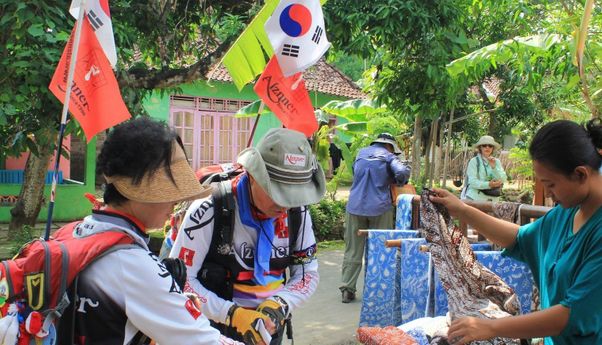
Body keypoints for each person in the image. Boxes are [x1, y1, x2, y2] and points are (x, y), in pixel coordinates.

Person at [57, 117, 238, 344]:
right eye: (167, 192)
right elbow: (204, 340)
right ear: (139, 192)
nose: (175, 203)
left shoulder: (74, 232)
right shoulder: (132, 263)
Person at [429, 119, 602, 345]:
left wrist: (490, 326)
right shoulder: (566, 213)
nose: (549, 194)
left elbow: (569, 315)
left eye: (551, 184)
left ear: (580, 174)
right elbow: (520, 239)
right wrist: (462, 210)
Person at [170, 128, 325, 345]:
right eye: (277, 192)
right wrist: (232, 314)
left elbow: (307, 273)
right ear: (252, 175)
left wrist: (280, 304)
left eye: (294, 195)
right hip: (211, 330)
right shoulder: (208, 209)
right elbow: (181, 282)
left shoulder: (298, 212)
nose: (285, 204)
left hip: (269, 328)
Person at [339, 133, 411, 303]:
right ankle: (378, 289)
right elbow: (401, 172)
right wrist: (399, 179)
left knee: (353, 250)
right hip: (380, 208)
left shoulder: (361, 153)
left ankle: (347, 289)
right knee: (380, 249)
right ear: (390, 146)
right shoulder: (388, 156)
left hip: (355, 206)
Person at [461, 135, 507, 201]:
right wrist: (489, 184)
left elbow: (503, 179)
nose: (487, 147)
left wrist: (494, 168)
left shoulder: (496, 161)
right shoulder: (474, 161)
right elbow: (472, 182)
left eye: (490, 146)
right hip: (475, 199)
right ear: (480, 147)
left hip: (493, 201)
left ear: (493, 148)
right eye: (484, 145)